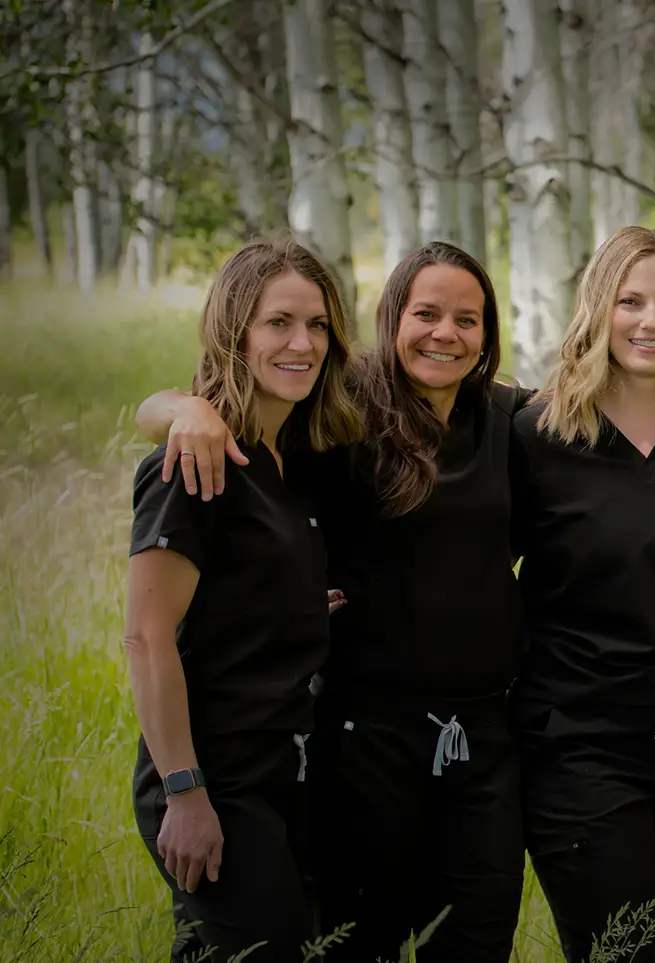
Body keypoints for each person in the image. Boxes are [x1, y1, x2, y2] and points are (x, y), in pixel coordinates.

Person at [136, 242, 531, 962]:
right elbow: (146, 634)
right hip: (326, 742)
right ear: (391, 319)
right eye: (425, 313)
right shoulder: (329, 413)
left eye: (466, 318)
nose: (445, 332)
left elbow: (613, 392)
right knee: (330, 939)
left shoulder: (503, 418)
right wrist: (186, 407)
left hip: (425, 742)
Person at [123, 237, 363, 962]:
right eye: (278, 323)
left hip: (290, 768)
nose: (303, 343)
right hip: (214, 773)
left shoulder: (297, 460)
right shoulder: (191, 466)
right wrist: (186, 793)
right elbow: (145, 637)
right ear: (235, 330)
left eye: (318, 325)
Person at [509, 227, 655, 963]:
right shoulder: (538, 430)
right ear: (597, 310)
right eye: (630, 301)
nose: (651, 320)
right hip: (580, 739)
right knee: (620, 952)